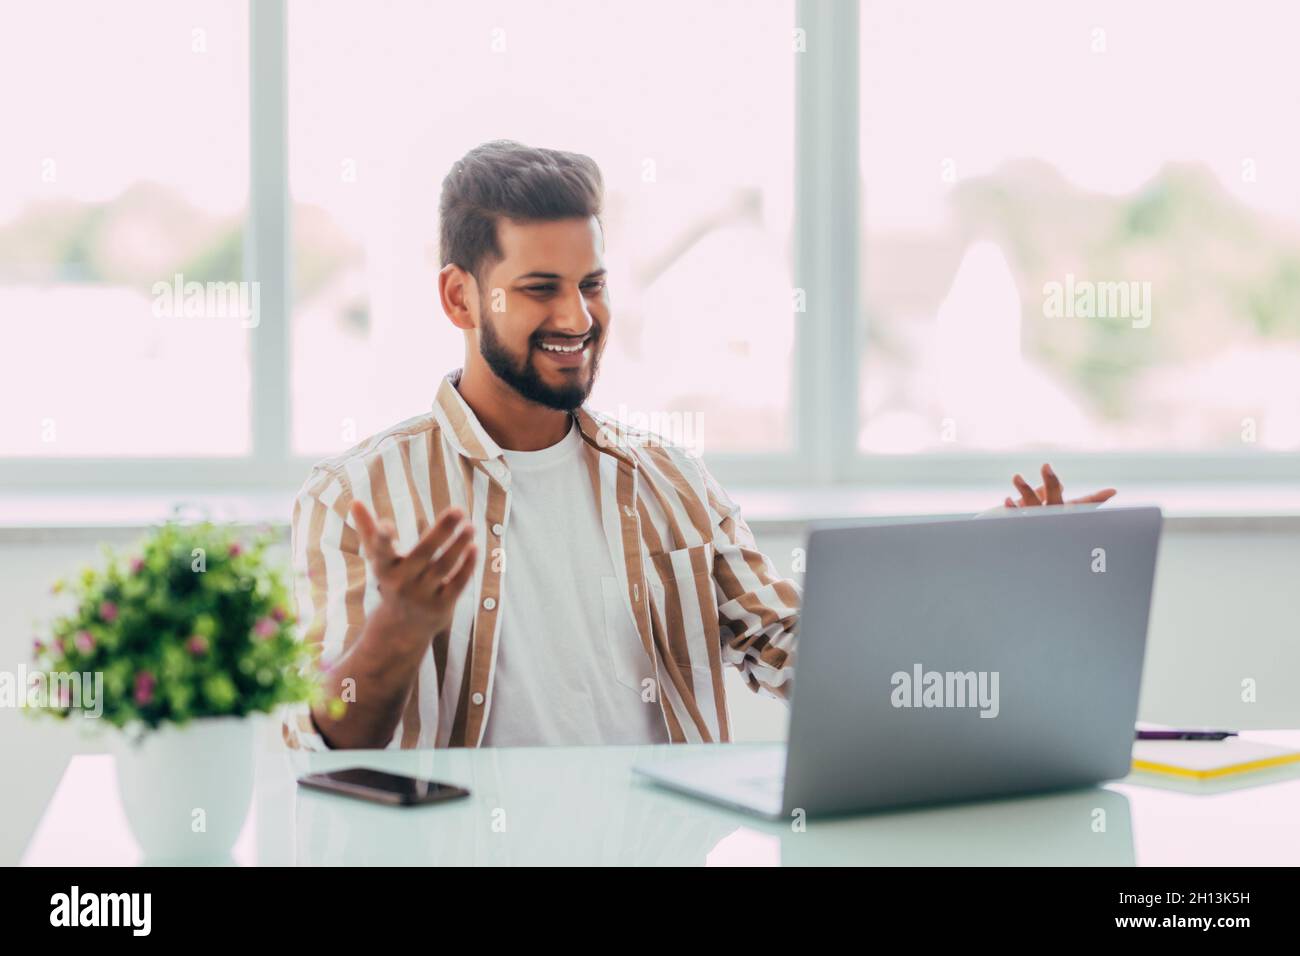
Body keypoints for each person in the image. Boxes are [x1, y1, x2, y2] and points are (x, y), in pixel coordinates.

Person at [282, 140, 1116, 750]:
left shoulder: (669, 479)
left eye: (593, 285)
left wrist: (994, 576)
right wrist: (401, 623)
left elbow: (801, 654)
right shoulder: (358, 499)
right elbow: (329, 748)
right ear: (459, 298)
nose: (577, 319)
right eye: (540, 289)